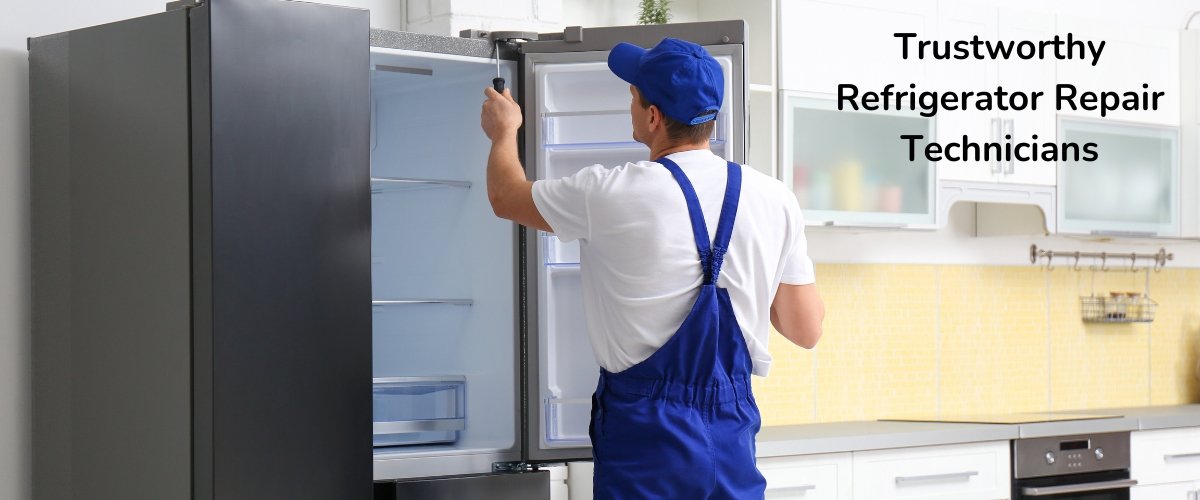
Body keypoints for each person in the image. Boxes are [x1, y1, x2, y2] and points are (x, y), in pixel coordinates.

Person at [480, 37, 824, 500]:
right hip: (731, 434)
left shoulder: (610, 192)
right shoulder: (776, 198)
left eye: (633, 96)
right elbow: (805, 329)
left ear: (653, 117)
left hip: (645, 435)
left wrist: (505, 132)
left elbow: (506, 197)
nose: (631, 104)